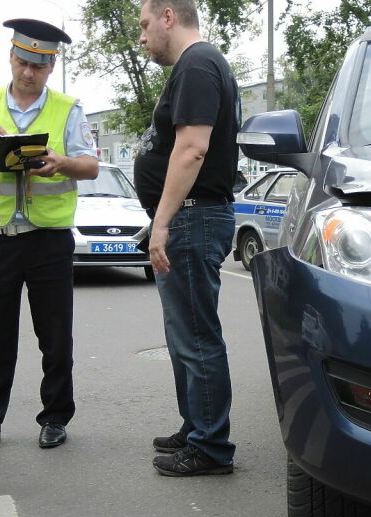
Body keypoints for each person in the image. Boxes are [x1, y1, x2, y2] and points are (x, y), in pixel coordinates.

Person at [0, 19, 99, 455]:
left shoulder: (69, 109)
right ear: (10, 57)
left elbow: (90, 164)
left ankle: (55, 418)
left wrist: (61, 162)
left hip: (48, 238)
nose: (28, 71)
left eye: (39, 64)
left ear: (51, 65)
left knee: (55, 337)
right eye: (22, 61)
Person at [134, 0, 240, 477]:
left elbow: (192, 148)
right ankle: (195, 425)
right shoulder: (196, 66)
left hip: (193, 220)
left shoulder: (198, 64)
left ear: (168, 17)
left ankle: (211, 446)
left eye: (144, 25)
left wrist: (162, 221)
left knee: (196, 336)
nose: (142, 37)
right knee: (184, 334)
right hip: (189, 219)